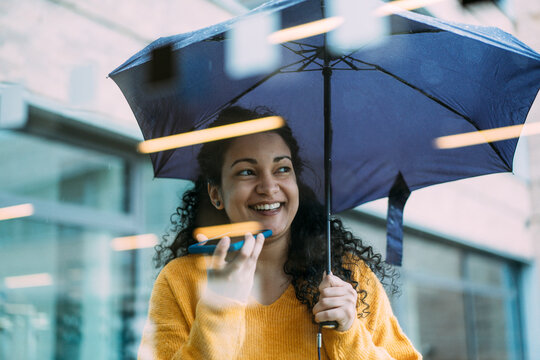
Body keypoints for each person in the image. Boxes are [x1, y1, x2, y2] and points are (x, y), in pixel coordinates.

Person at [139, 106, 422, 360]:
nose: (268, 186)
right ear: (216, 194)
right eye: (247, 172)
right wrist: (220, 310)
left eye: (282, 169)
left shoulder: (348, 276)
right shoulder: (180, 281)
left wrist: (350, 334)